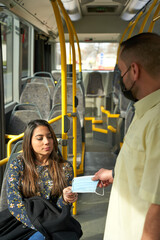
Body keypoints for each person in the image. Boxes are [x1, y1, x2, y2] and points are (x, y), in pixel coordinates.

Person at [92, 32, 160, 240]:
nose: (120, 78)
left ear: (134, 70)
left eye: (121, 72)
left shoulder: (157, 120)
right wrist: (115, 173)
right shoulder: (144, 111)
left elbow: (157, 206)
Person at [6, 119, 78, 240]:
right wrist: (40, 226)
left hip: (54, 220)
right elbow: (14, 203)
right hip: (24, 221)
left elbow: (60, 208)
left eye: (49, 137)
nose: (46, 142)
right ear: (29, 142)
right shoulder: (18, 165)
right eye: (40, 138)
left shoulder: (64, 167)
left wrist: (65, 199)